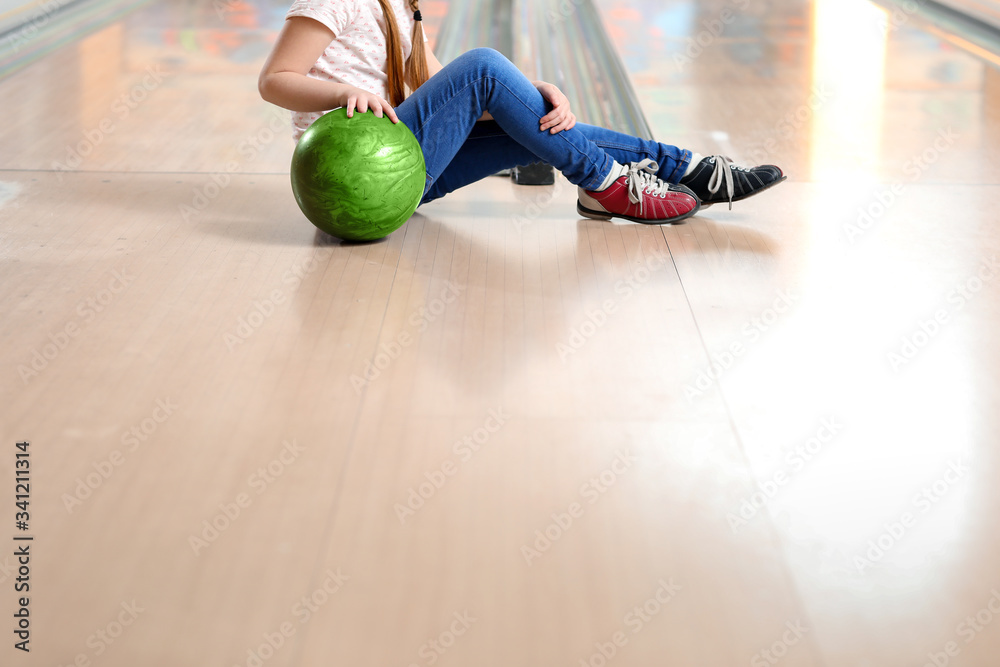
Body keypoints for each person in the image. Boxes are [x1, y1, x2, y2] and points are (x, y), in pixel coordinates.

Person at [258, 0, 785, 225]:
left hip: (397, 175)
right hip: (352, 178)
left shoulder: (401, 7)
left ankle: (682, 168)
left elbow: (452, 94)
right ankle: (607, 182)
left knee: (532, 125)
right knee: (485, 64)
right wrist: (343, 94)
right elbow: (274, 81)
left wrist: (528, 96)